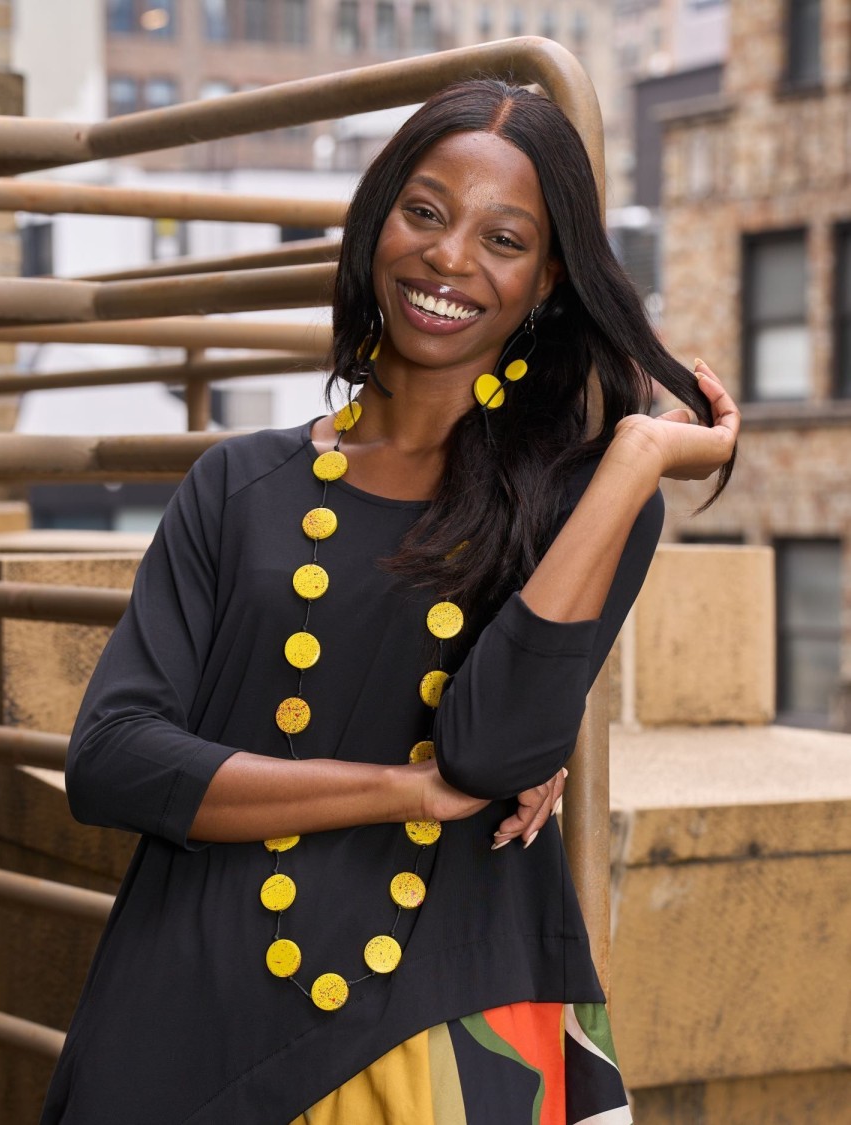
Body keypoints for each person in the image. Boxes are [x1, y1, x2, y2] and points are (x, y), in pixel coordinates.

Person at [41, 79, 738, 1125]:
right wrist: (400, 793)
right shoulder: (238, 485)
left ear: (549, 280)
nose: (451, 258)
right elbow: (110, 760)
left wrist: (635, 457)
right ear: (378, 223)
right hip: (193, 1009)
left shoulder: (587, 506)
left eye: (504, 239)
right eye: (424, 211)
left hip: (447, 1021)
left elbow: (494, 751)